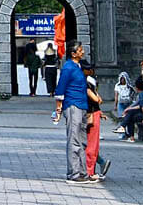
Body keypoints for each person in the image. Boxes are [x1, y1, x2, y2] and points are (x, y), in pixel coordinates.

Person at [52, 41, 90, 183]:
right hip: (73, 105)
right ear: (73, 54)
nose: (83, 52)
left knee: (82, 140)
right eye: (80, 50)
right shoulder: (68, 67)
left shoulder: (78, 67)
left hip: (81, 105)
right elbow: (61, 87)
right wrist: (58, 108)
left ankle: (82, 171)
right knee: (74, 139)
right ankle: (73, 173)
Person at [82, 60, 111, 182]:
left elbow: (97, 99)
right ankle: (91, 170)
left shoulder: (86, 81)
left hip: (90, 114)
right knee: (90, 144)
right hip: (91, 114)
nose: (91, 71)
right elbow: (97, 99)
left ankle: (91, 170)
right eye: (88, 69)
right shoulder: (87, 82)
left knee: (89, 144)